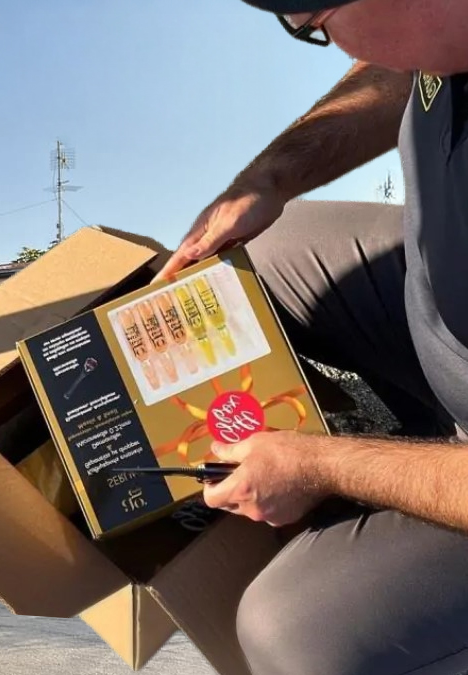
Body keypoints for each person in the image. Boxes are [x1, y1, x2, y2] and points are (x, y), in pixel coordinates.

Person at [150, 2, 468, 674]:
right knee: (253, 262)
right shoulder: (440, 24)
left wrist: (320, 463)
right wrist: (269, 179)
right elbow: (397, 63)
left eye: (310, 24)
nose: (319, 41)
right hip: (443, 318)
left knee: (291, 631)